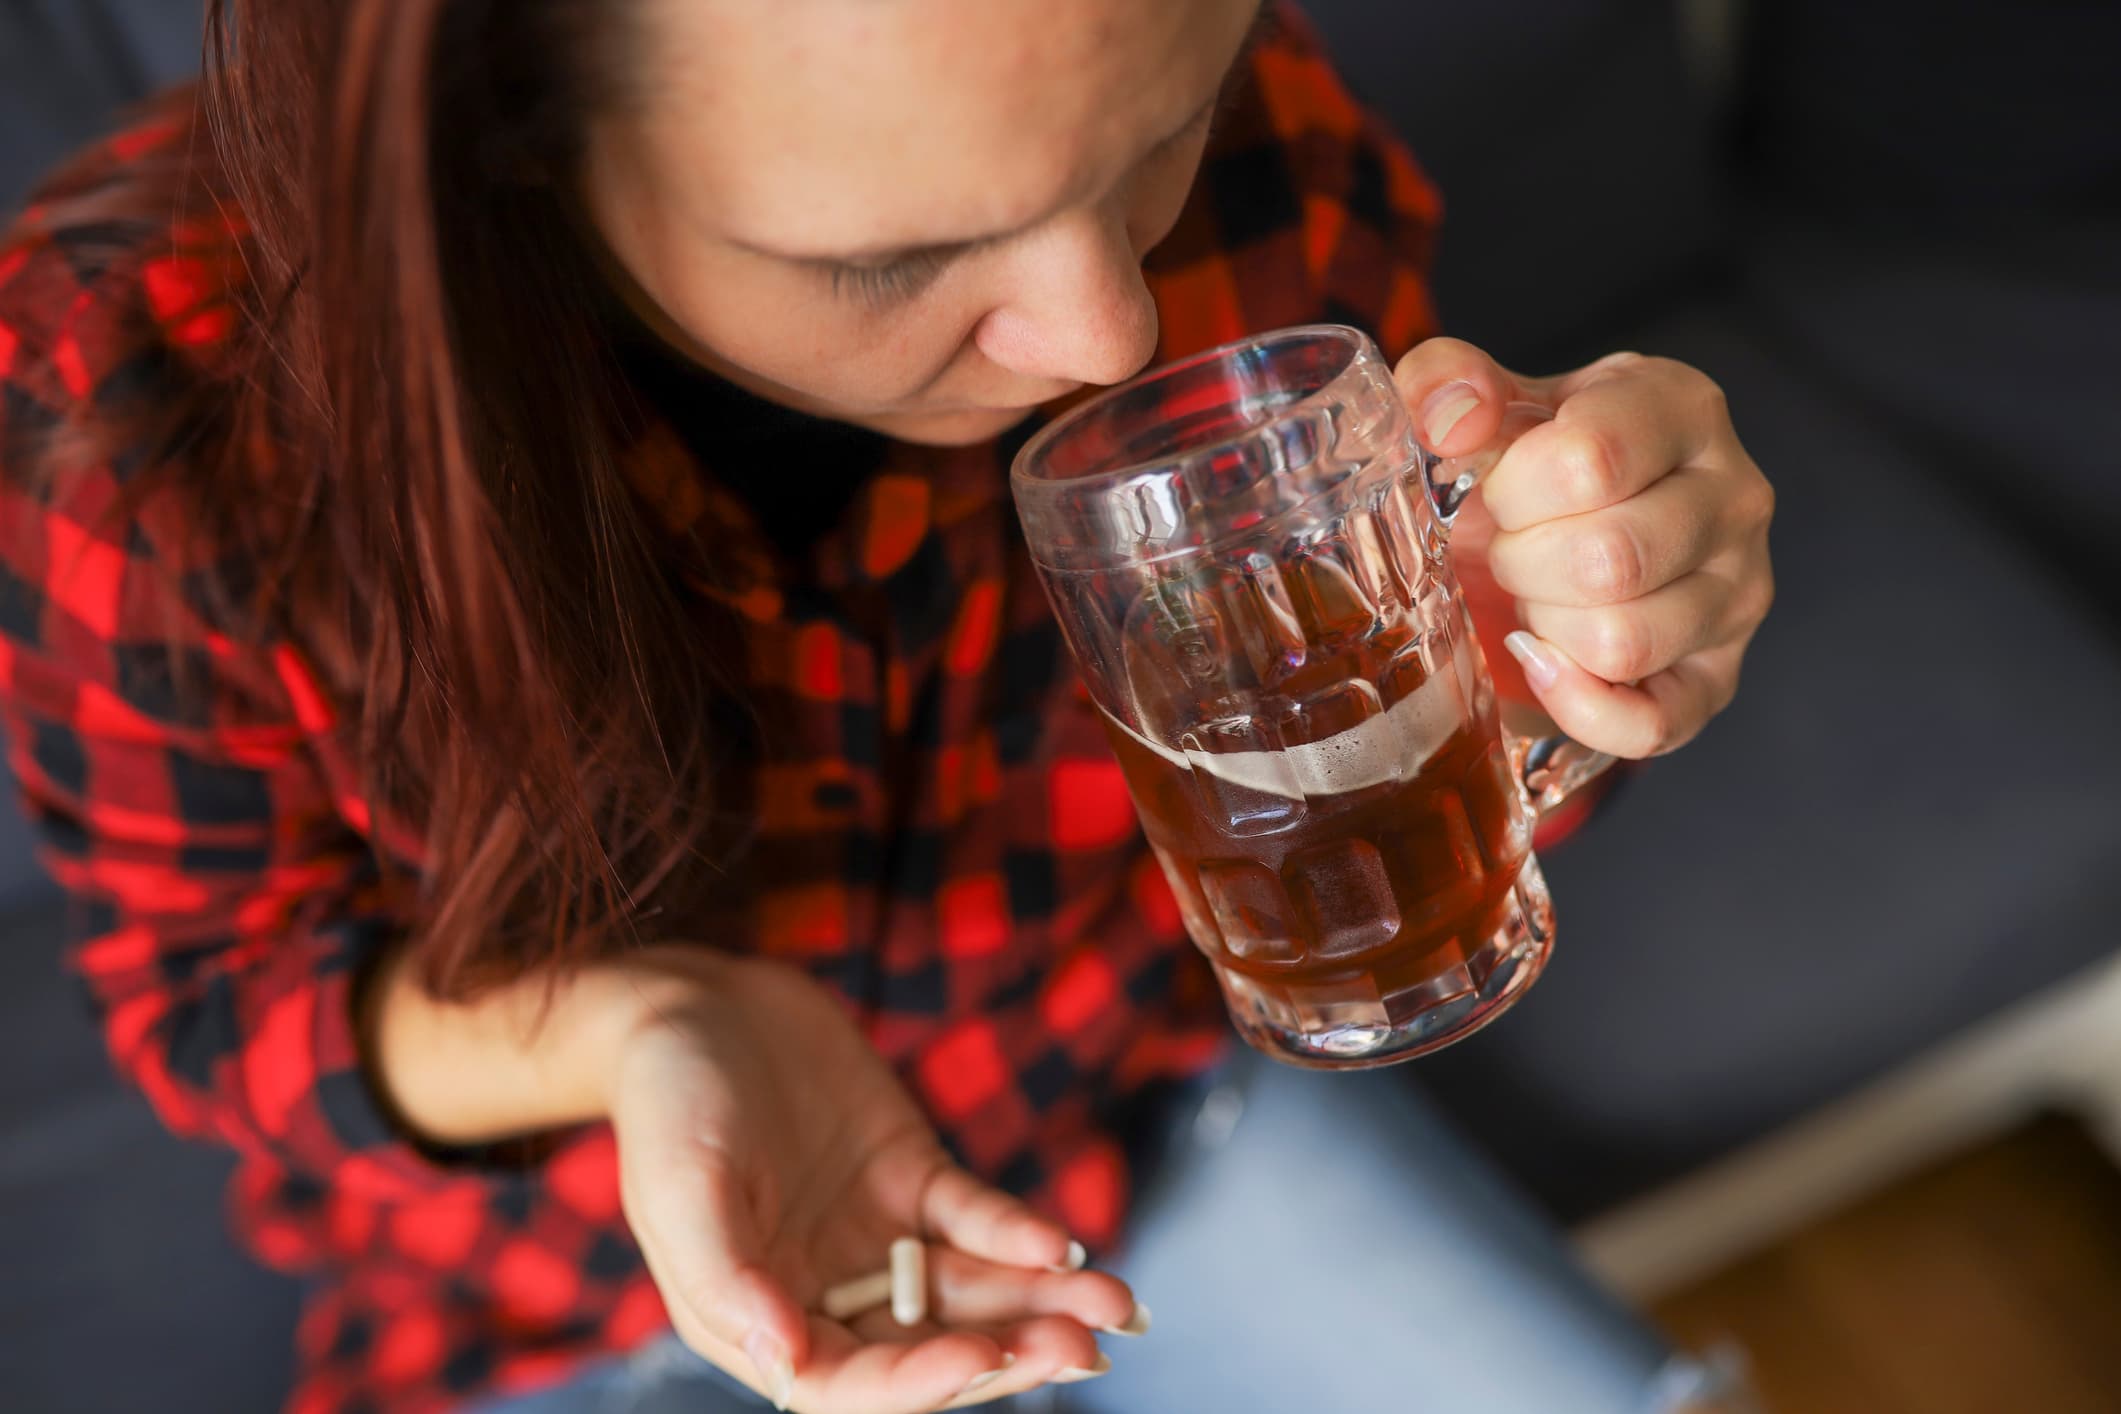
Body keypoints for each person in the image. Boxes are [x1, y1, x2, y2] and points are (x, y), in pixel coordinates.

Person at [0, 0, 1773, 1410]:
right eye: (888, 262)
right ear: (513, 122)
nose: (1101, 329)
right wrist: (636, 1028)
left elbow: (1384, 790)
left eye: (1155, 139)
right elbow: (219, 997)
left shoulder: (1252, 147)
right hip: (571, 1291)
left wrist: (1556, 645)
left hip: (1144, 1109)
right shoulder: (139, 402)